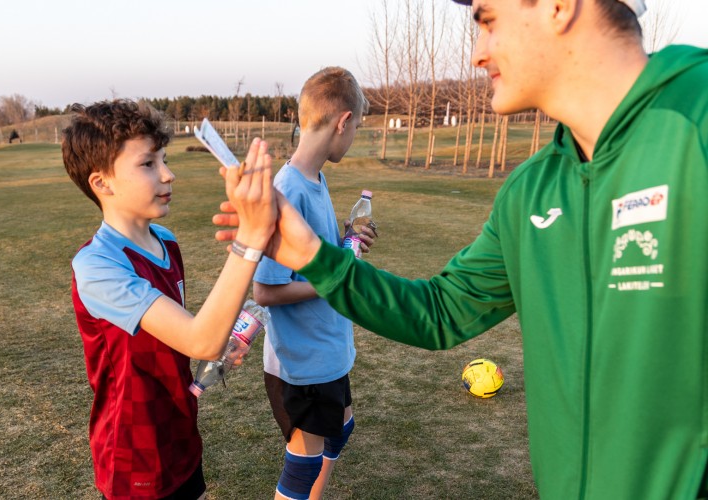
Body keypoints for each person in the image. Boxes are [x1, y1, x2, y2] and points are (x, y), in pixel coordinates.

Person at [214, 1, 708, 498]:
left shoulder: (697, 121)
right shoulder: (530, 191)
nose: (477, 53)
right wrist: (314, 257)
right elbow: (440, 311)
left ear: (559, 7)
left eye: (488, 20)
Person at [61, 99, 276, 500]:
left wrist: (220, 343)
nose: (167, 174)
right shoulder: (97, 265)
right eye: (148, 163)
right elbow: (198, 340)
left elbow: (187, 335)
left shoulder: (165, 241)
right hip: (135, 451)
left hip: (180, 429)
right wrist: (251, 236)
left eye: (165, 159)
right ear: (102, 183)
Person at [251, 67, 376, 500]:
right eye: (357, 127)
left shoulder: (316, 180)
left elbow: (313, 261)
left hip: (328, 347)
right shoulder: (288, 191)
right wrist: (338, 276)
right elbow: (265, 291)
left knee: (342, 428)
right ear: (343, 121)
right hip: (305, 358)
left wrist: (346, 244)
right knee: (302, 465)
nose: (354, 136)